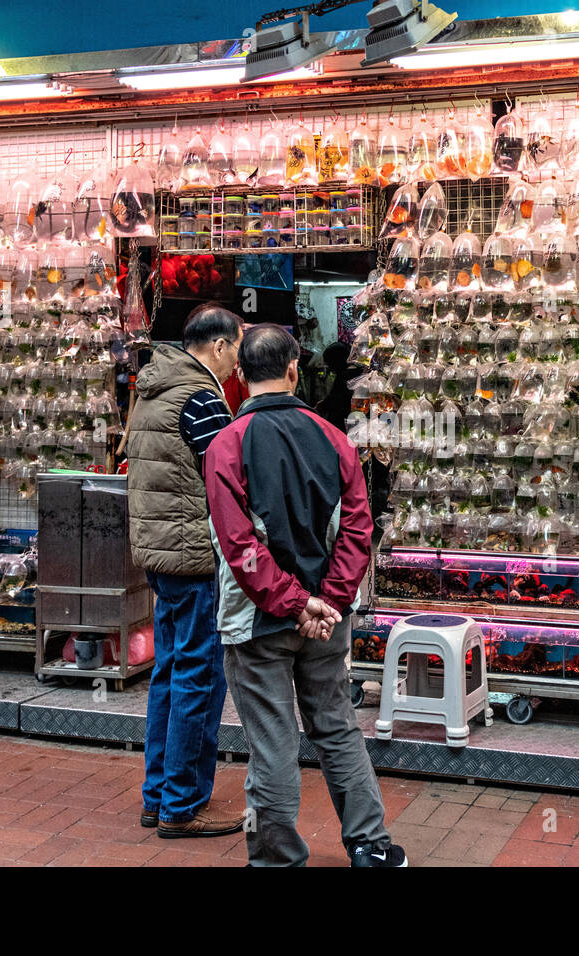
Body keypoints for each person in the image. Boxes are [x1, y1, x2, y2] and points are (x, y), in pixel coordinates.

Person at [205, 324, 405, 867]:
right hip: (326, 619)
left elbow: (238, 543)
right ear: (295, 368)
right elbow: (358, 530)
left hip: (257, 619)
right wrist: (329, 601)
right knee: (335, 727)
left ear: (240, 376)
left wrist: (294, 603)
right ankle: (370, 845)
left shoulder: (227, 445)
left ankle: (276, 858)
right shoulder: (335, 438)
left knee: (273, 742)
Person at [125, 303, 245, 838]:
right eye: (238, 348)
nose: (239, 362)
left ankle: (158, 796)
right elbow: (229, 474)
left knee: (169, 673)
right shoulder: (200, 398)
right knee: (198, 676)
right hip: (193, 555)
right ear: (219, 345)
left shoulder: (153, 390)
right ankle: (181, 804)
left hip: (160, 554)